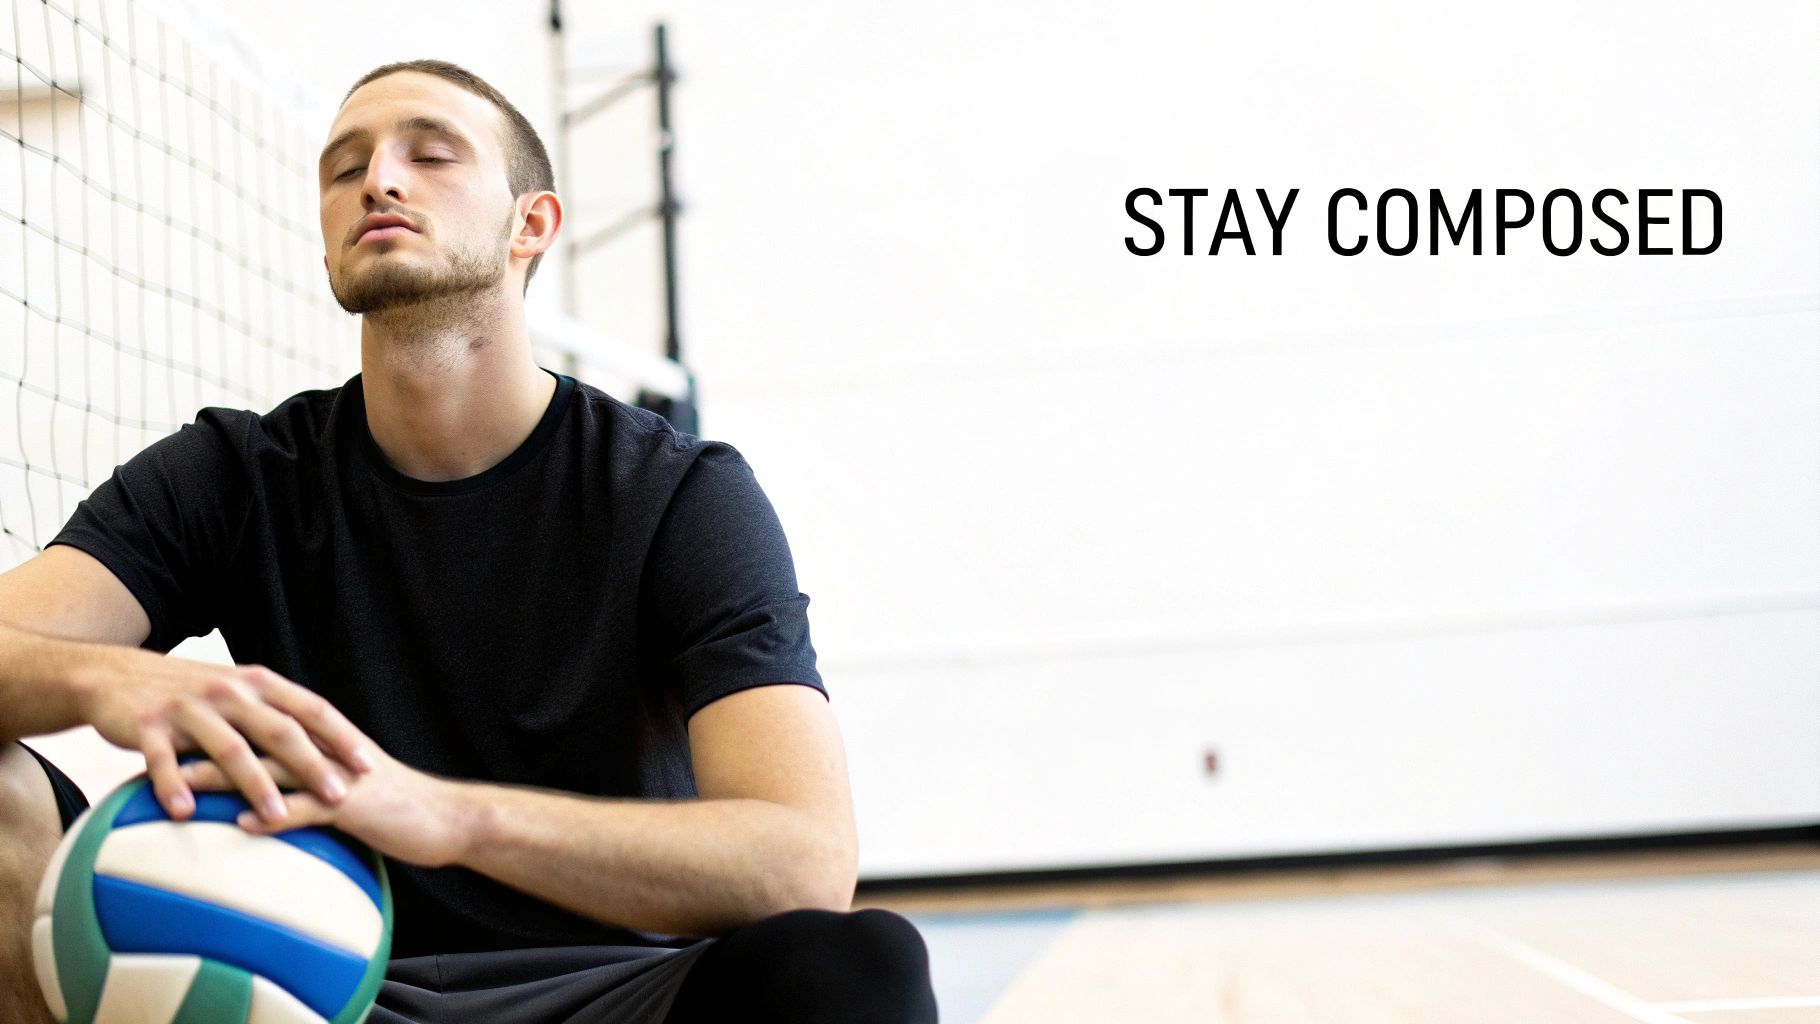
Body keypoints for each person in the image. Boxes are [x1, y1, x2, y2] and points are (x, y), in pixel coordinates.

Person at [0, 59, 938, 1023]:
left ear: (531, 224)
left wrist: (445, 814)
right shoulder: (233, 473)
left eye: (431, 153)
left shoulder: (678, 493)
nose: (378, 180)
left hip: (619, 991)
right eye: (343, 168)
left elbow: (804, 861)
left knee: (860, 962)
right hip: (323, 986)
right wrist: (105, 682)